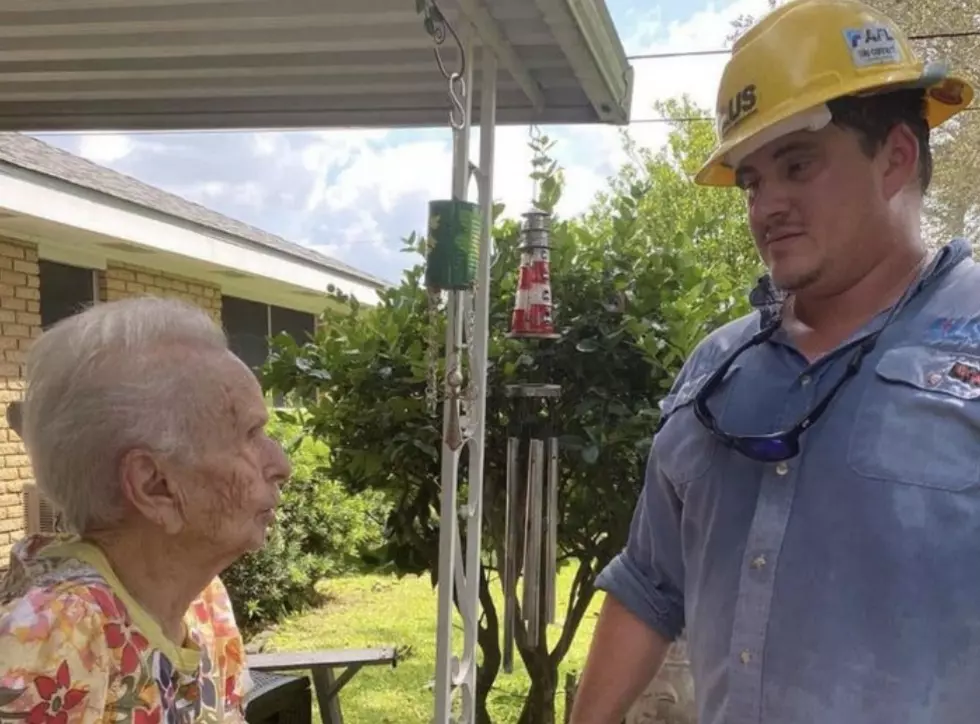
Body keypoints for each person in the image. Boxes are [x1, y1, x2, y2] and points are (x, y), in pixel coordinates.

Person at [570, 0, 978, 722]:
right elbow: (648, 585)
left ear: (895, 157)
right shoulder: (715, 370)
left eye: (797, 165)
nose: (767, 206)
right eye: (753, 180)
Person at [0, 297, 291, 724]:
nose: (282, 465)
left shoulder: (203, 601)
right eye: (250, 434)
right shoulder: (52, 639)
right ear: (156, 486)